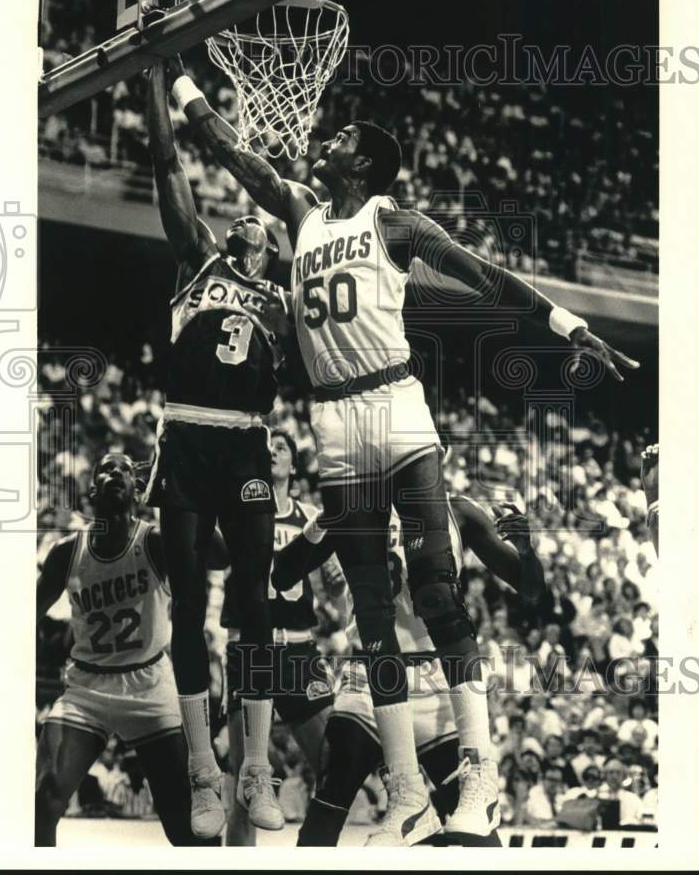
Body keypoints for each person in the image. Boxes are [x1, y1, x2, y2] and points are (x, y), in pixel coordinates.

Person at [170, 60, 638, 845]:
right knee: (371, 617)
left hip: (395, 406)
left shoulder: (397, 225)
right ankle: (406, 790)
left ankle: (480, 776)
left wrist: (567, 327)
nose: (327, 140)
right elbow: (224, 149)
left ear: (365, 163)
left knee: (436, 592)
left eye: (343, 137)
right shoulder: (299, 210)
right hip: (333, 422)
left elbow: (487, 276)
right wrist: (177, 71)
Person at [144, 61, 290, 837]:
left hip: (245, 450)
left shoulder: (286, 300)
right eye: (237, 217)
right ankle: (204, 770)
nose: (243, 218)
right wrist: (153, 80)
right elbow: (168, 163)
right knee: (193, 604)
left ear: (269, 244)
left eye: (255, 222)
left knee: (255, 603)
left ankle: (255, 764)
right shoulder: (197, 260)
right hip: (187, 438)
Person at [280, 497, 546, 846]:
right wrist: (321, 523)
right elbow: (282, 575)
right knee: (328, 805)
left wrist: (526, 551)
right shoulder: (352, 504)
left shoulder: (459, 511)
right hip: (369, 677)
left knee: (474, 830)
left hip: (433, 678)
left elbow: (531, 589)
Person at [35, 453, 213, 846]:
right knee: (44, 799)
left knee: (187, 824)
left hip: (148, 682)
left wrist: (180, 494)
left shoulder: (154, 540)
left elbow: (218, 554)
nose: (115, 473)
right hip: (86, 686)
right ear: (92, 488)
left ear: (138, 490)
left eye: (126, 470)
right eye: (106, 468)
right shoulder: (67, 551)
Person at [215, 430, 345, 845]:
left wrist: (338, 585)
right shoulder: (234, 510)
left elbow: (335, 585)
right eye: (267, 447)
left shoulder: (310, 515)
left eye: (282, 447)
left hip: (299, 649)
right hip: (250, 648)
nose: (273, 451)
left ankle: (312, 847)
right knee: (243, 780)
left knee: (334, 763)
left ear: (293, 465)